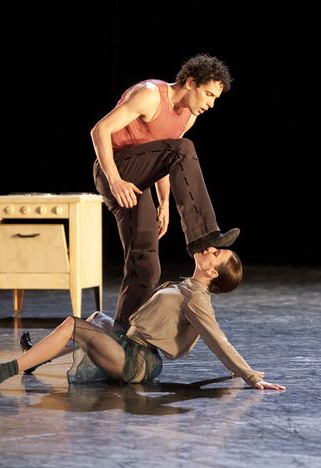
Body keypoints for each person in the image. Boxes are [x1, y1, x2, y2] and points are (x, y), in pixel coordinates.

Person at [0, 247, 285, 391]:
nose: (210, 249)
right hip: (130, 345)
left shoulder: (197, 299)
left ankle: (4, 371)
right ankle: (35, 359)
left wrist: (250, 376)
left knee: (74, 323)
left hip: (137, 360)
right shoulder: (186, 286)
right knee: (97, 318)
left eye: (216, 253)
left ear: (212, 272)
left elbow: (218, 339)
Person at [91, 53, 240, 329]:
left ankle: (122, 335)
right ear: (191, 82)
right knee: (184, 149)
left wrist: (164, 204)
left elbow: (166, 161)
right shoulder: (150, 95)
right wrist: (114, 180)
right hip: (113, 169)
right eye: (208, 94)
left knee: (146, 265)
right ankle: (202, 235)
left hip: (137, 182)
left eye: (215, 98)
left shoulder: (187, 118)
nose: (211, 104)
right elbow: (99, 130)